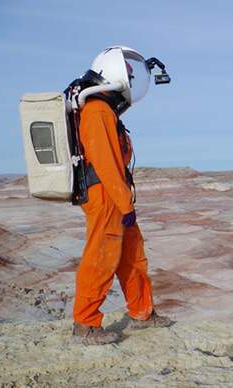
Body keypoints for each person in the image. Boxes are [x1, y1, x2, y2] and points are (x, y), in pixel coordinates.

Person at [71, 46, 172, 345]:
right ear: (113, 72)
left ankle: (142, 313)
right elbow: (106, 164)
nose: (130, 77)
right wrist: (124, 202)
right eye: (128, 73)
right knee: (101, 258)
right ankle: (85, 324)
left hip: (115, 197)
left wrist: (125, 203)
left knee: (132, 256)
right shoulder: (97, 111)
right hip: (106, 198)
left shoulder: (102, 109)